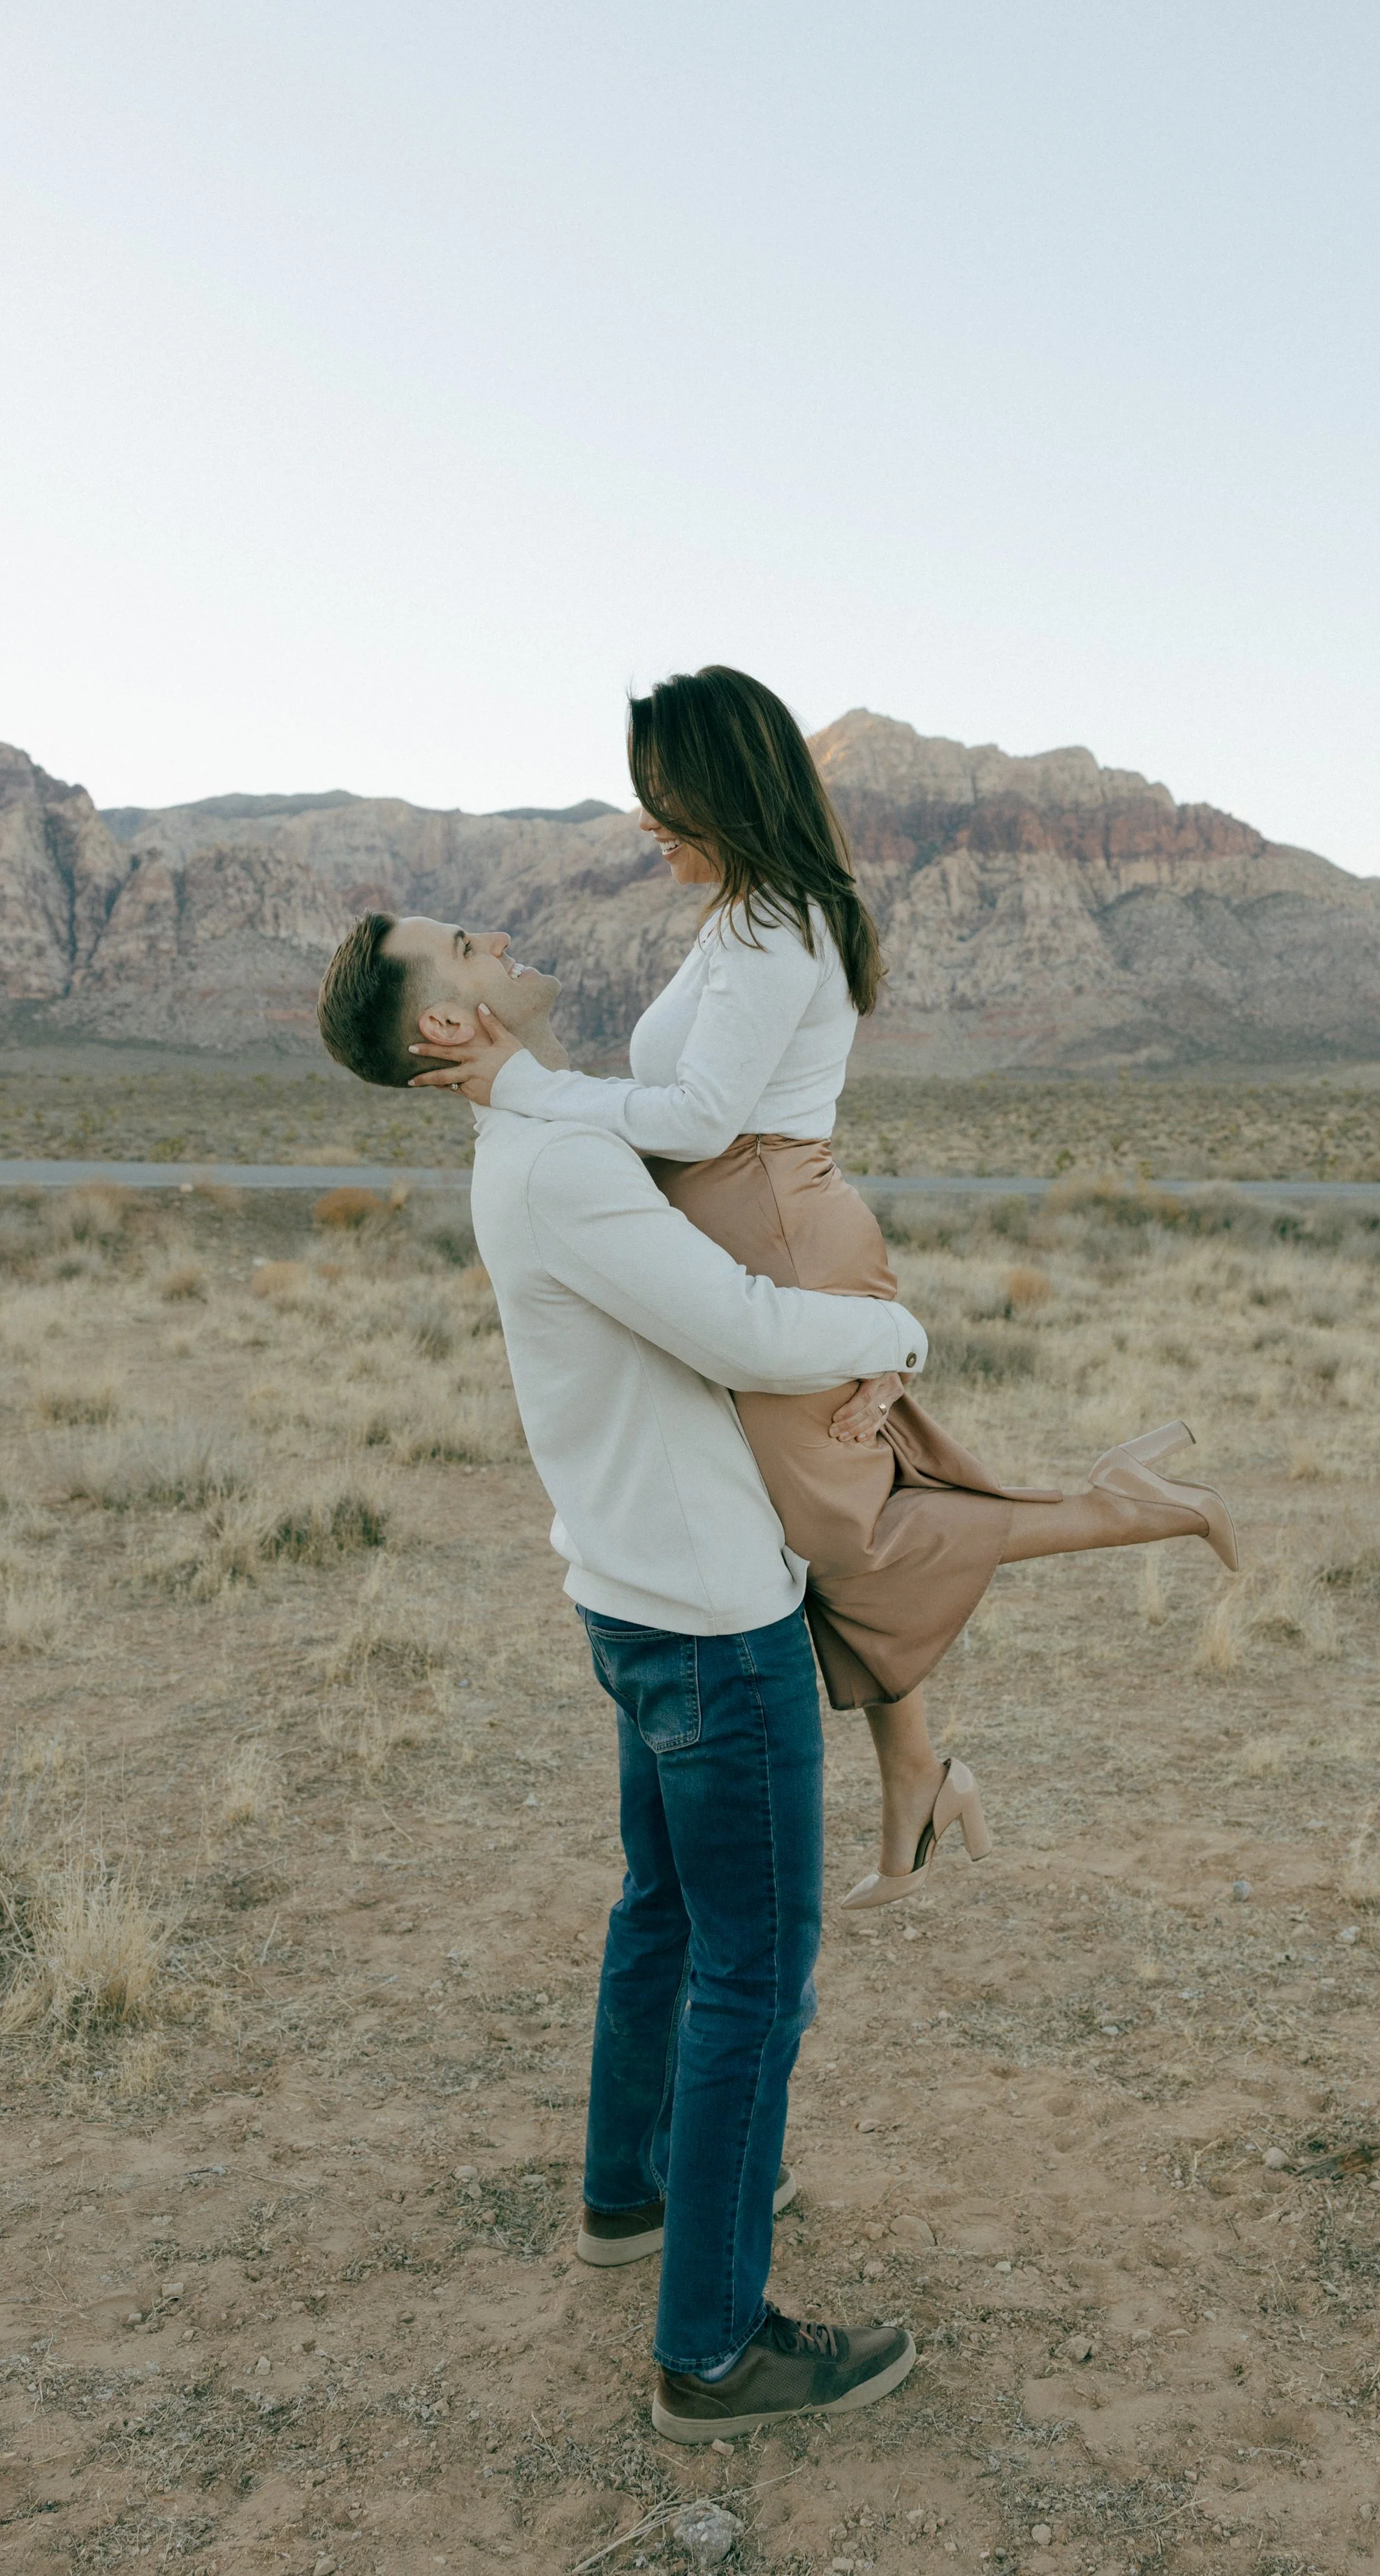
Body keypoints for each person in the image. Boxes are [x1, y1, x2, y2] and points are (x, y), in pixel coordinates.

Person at [409, 665, 1238, 1908]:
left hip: (775, 1231)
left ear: (720, 793)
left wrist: (523, 1088)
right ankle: (916, 1772)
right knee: (811, 1529)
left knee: (851, 1529)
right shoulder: (751, 914)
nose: (645, 823)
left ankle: (1125, 1506)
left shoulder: (773, 925)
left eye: (660, 797)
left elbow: (696, 1115)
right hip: (755, 1218)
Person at [316, 912, 926, 2440]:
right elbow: (739, 1331)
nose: (496, 934)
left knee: (663, 1912)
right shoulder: (563, 1166)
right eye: (461, 942)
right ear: (445, 1030)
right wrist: (894, 1324)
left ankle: (628, 2194)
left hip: (636, 1600)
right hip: (709, 1625)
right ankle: (713, 2353)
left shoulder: (552, 1134)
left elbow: (669, 1127)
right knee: (751, 1980)